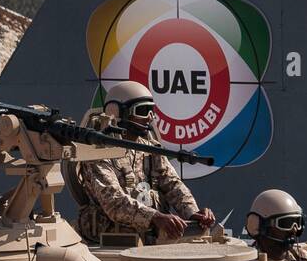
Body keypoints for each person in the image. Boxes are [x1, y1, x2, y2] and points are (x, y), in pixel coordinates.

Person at [75, 80, 216, 243]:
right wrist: (155, 217)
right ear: (118, 113)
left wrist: (192, 213)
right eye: (142, 111)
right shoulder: (97, 154)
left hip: (153, 235)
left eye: (152, 111)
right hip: (113, 239)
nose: (150, 117)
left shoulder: (151, 149)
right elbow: (114, 202)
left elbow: (172, 185)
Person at [245, 188, 307, 261]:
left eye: (297, 223)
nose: (294, 230)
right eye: (286, 223)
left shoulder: (301, 257)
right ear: (259, 225)